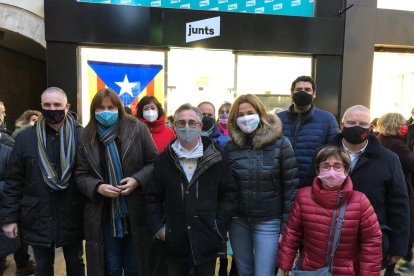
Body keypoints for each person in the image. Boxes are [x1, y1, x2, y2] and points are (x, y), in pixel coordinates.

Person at [306, 105, 410, 276]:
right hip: (326, 241)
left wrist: (399, 246)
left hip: (369, 243)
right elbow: (308, 192)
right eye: (351, 122)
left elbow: (399, 204)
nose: (357, 127)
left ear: (370, 127)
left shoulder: (388, 159)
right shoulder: (323, 154)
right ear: (342, 125)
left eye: (362, 124)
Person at [145, 103, 238, 276]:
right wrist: (160, 229)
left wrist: (218, 226)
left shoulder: (217, 157)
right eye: (181, 123)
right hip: (173, 241)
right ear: (174, 126)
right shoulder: (164, 160)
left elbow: (229, 194)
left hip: (206, 239)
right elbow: (152, 197)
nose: (186, 127)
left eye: (191, 123)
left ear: (200, 126)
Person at [1, 87, 85, 276]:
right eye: (47, 105)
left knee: (76, 264)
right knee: (43, 267)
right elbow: (14, 181)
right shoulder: (26, 138)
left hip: (72, 214)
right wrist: (9, 219)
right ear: (41, 106)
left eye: (57, 105)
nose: (52, 109)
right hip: (37, 214)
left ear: (67, 106)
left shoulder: (82, 136)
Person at [75, 88, 158, 276]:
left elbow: (154, 162)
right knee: (110, 268)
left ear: (119, 108)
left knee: (134, 267)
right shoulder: (86, 136)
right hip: (103, 213)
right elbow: (80, 174)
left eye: (110, 107)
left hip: (135, 212)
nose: (105, 112)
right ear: (93, 110)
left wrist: (137, 180)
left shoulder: (138, 128)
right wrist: (98, 187)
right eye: (100, 108)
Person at [223, 94, 299, 276]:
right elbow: (225, 188)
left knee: (264, 272)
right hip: (238, 220)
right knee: (244, 271)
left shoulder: (281, 144)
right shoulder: (230, 147)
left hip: (269, 220)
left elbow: (291, 188)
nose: (246, 118)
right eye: (240, 115)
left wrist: (286, 227)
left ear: (260, 113)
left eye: (250, 112)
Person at [278, 145, 382, 275]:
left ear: (346, 170)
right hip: (310, 270)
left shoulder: (360, 201)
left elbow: (371, 242)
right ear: (317, 170)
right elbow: (292, 234)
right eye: (325, 165)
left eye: (337, 166)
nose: (331, 171)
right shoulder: (303, 196)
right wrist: (285, 265)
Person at [277, 75, 339, 183]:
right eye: (299, 89)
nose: (303, 92)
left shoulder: (328, 119)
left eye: (307, 90)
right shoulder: (277, 119)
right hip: (281, 181)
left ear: (314, 94)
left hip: (312, 182)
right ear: (291, 93)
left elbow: (334, 152)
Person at [377, 113, 414, 272]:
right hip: (400, 188)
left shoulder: (381, 141)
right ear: (395, 126)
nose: (404, 127)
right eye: (402, 124)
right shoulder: (397, 145)